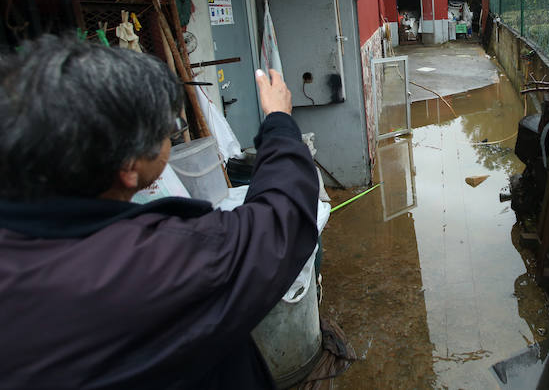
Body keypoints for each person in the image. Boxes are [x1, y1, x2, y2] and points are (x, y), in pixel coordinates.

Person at [0, 34, 320, 389]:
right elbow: (280, 222)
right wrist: (278, 122)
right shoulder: (152, 265)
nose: (172, 137)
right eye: (169, 130)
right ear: (127, 164)